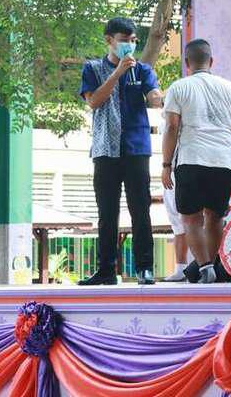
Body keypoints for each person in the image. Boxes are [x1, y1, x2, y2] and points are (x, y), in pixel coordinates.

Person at [79, 17, 162, 285]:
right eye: (124, 40)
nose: (130, 45)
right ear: (109, 40)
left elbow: (154, 97)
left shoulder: (143, 70)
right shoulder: (92, 68)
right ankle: (106, 271)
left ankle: (144, 268)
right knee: (107, 212)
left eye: (133, 40)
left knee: (141, 209)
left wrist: (160, 97)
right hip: (105, 149)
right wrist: (117, 73)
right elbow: (94, 101)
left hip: (136, 147)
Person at [161, 39, 231, 284]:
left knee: (190, 219)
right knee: (215, 217)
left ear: (187, 62)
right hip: (224, 161)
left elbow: (171, 127)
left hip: (191, 159)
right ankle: (209, 264)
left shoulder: (179, 87)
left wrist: (166, 165)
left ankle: (204, 266)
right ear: (211, 61)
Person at [159, 116, 192, 282]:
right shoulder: (165, 120)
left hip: (189, 168)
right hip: (171, 171)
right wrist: (166, 167)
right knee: (177, 224)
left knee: (193, 220)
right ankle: (181, 268)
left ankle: (200, 266)